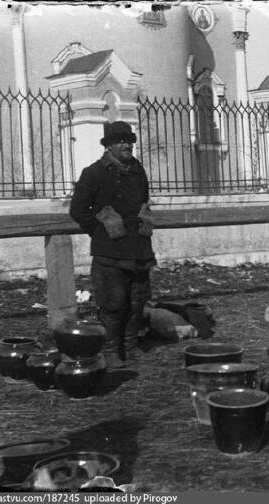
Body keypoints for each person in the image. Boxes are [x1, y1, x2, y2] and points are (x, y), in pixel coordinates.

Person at [70, 121, 156, 368]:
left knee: (137, 302)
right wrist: (102, 230)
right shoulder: (94, 173)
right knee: (113, 303)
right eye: (120, 141)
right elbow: (78, 210)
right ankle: (111, 351)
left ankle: (129, 347)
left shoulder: (137, 170)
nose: (126, 145)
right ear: (108, 146)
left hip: (138, 247)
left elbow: (143, 200)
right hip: (110, 252)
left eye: (129, 141)